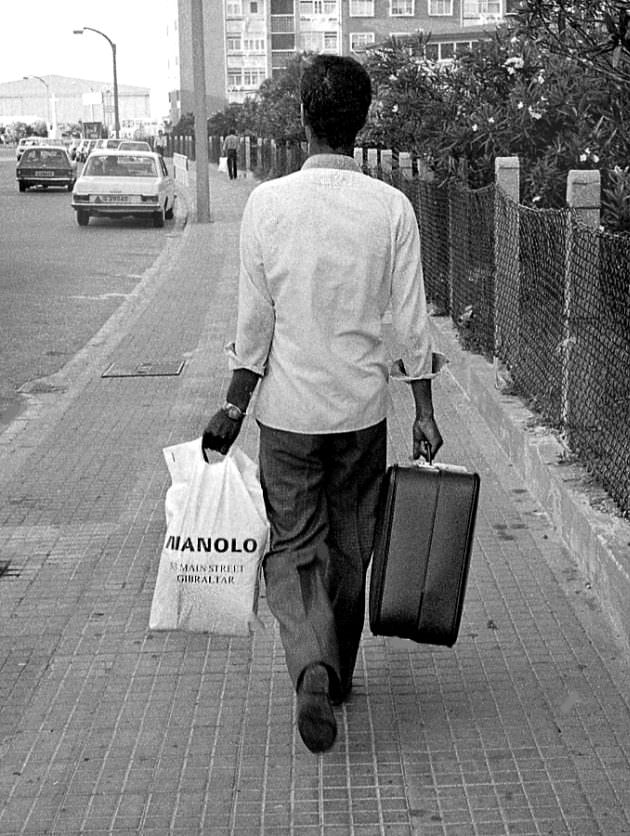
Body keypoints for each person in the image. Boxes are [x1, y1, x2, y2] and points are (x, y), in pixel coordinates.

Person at [202, 55, 445, 754]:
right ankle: (336, 674)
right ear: (361, 123)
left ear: (304, 119)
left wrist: (232, 406)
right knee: (351, 545)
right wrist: (423, 410)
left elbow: (255, 326)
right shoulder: (390, 208)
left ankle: (311, 663)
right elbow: (410, 318)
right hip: (362, 413)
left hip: (286, 417)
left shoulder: (268, 205)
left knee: (294, 546)